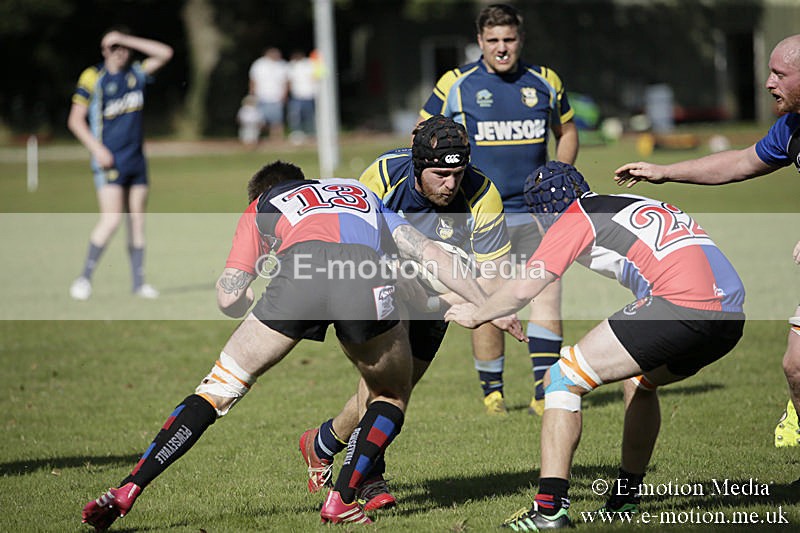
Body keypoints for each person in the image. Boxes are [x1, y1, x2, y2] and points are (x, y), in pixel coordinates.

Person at [80, 161, 495, 529]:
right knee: (389, 393)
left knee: (219, 388)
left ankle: (128, 489)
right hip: (362, 276)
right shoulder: (357, 190)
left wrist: (243, 296)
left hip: (302, 272)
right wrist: (486, 302)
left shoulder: (263, 204)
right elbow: (425, 251)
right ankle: (341, 500)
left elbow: (228, 297)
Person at [446, 161, 746, 529]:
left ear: (542, 215)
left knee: (561, 378)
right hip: (731, 314)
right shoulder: (623, 201)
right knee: (639, 380)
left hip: (681, 306)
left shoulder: (573, 217)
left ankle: (549, 510)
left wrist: (478, 314)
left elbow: (525, 288)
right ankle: (624, 500)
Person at [298, 115, 522, 511]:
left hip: (438, 303)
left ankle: (322, 443)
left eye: (457, 173)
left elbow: (492, 278)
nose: (450, 184)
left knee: (393, 392)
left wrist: (450, 300)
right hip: (381, 284)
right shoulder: (383, 175)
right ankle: (366, 480)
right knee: (388, 391)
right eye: (440, 174)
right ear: (418, 168)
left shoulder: (483, 194)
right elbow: (354, 238)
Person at [614, 34, 800, 462]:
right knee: (795, 366)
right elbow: (739, 162)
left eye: (779, 74)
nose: (768, 82)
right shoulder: (791, 128)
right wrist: (665, 172)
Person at [419, 3, 579, 416]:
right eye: (493, 41)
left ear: (520, 39)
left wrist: (559, 177)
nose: (502, 48)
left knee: (547, 294)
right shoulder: (456, 83)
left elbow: (567, 131)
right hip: (482, 216)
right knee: (490, 299)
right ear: (480, 42)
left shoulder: (544, 81)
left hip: (538, 213)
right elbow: (422, 133)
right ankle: (493, 394)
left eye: (509, 39)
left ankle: (544, 392)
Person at [67, 27, 173, 300]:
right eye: (113, 47)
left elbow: (165, 53)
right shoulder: (94, 77)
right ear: (104, 50)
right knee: (112, 219)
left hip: (136, 160)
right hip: (109, 160)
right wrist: (97, 149)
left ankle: (139, 283)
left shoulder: (136, 74)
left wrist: (124, 38)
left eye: (123, 46)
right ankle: (84, 279)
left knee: (136, 222)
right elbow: (75, 120)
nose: (120, 51)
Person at [248, 47, 288, 142]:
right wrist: (252, 93)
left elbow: (286, 81)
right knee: (258, 120)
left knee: (277, 120)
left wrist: (284, 95)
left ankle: (276, 139)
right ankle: (255, 138)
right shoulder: (259, 64)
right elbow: (253, 80)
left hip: (276, 97)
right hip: (261, 96)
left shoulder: (282, 65)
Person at [287, 49, 317, 144]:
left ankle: (311, 134)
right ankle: (297, 134)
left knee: (309, 116)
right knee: (295, 116)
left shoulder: (310, 64)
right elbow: (289, 80)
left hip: (309, 95)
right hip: (297, 95)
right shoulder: (292, 66)